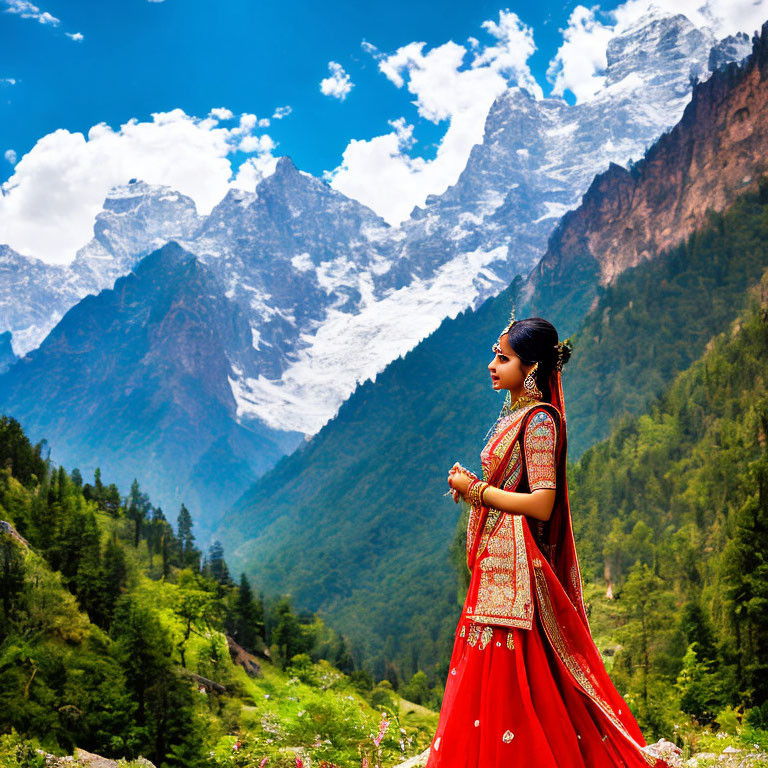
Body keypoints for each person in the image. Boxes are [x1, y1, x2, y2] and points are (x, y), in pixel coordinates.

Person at [425, 314, 675, 768]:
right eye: (494, 356)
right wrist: (473, 488)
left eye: (503, 358)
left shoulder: (540, 421)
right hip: (498, 562)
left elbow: (541, 503)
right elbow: (514, 491)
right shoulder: (517, 414)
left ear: (532, 368)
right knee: (494, 664)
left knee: (526, 671)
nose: (491, 365)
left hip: (520, 570)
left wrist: (476, 491)